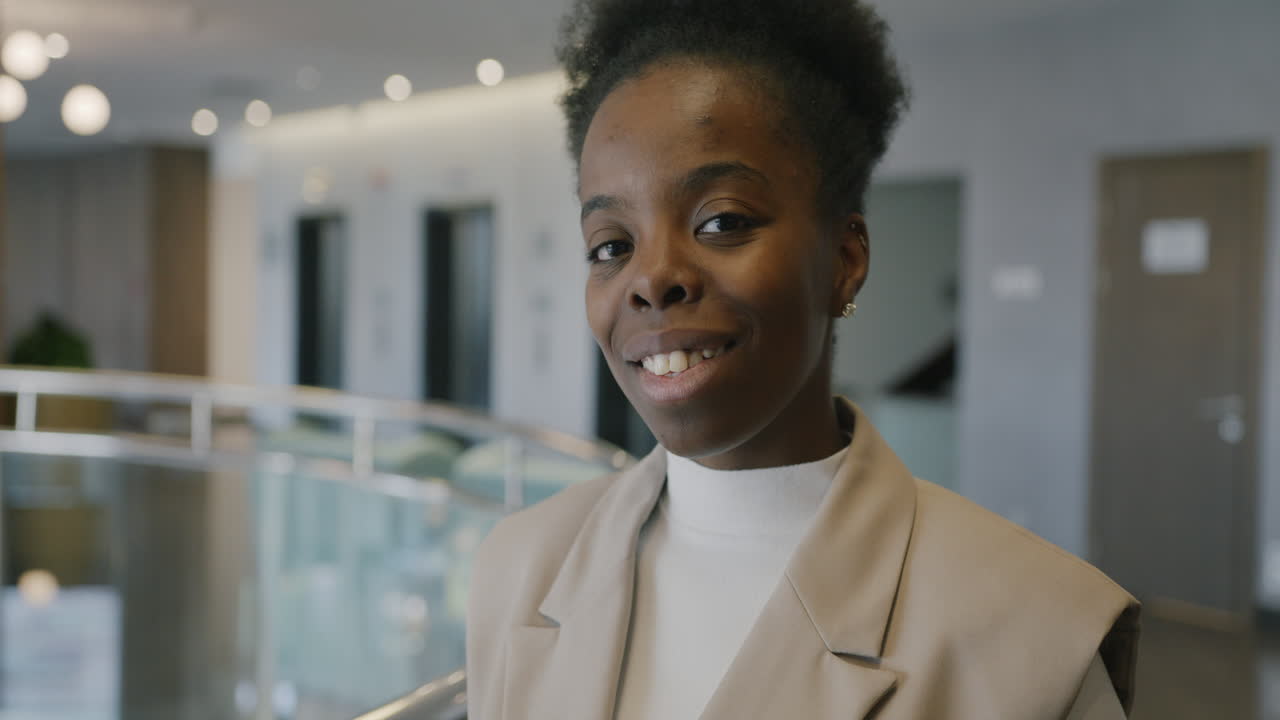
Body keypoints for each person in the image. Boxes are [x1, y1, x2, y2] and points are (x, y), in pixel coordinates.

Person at [466, 0, 1140, 717]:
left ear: (845, 259)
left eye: (721, 221)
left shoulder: (1039, 636)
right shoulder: (517, 568)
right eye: (611, 245)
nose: (650, 278)